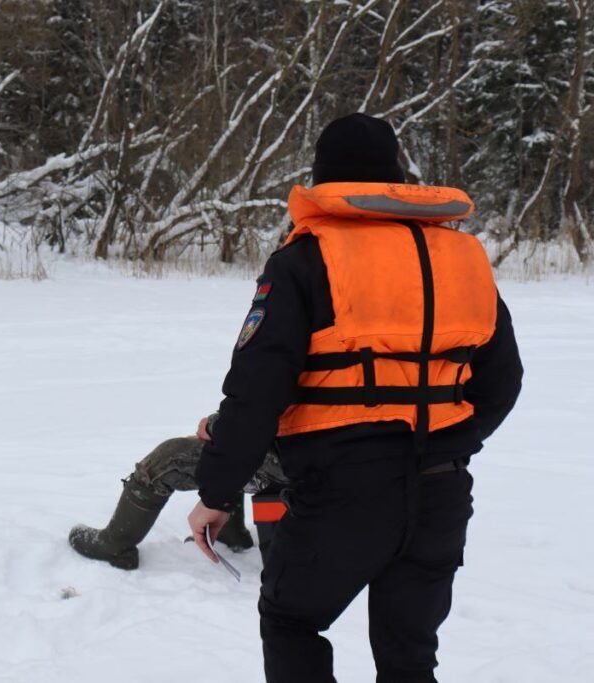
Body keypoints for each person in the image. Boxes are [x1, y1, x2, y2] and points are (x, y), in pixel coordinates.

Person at [187, 113, 523, 682]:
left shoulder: (305, 258)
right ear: (396, 174)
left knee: (291, 623)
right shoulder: (461, 259)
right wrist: (445, 444)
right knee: (409, 658)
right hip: (441, 491)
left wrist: (216, 494)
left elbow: (257, 390)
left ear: (323, 177)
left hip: (341, 492)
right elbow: (503, 382)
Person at [69, 415, 287, 570]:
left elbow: (258, 403)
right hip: (308, 453)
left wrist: (214, 427)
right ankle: (229, 534)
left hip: (292, 461)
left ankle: (115, 544)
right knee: (227, 441)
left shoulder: (275, 348)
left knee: (167, 458)